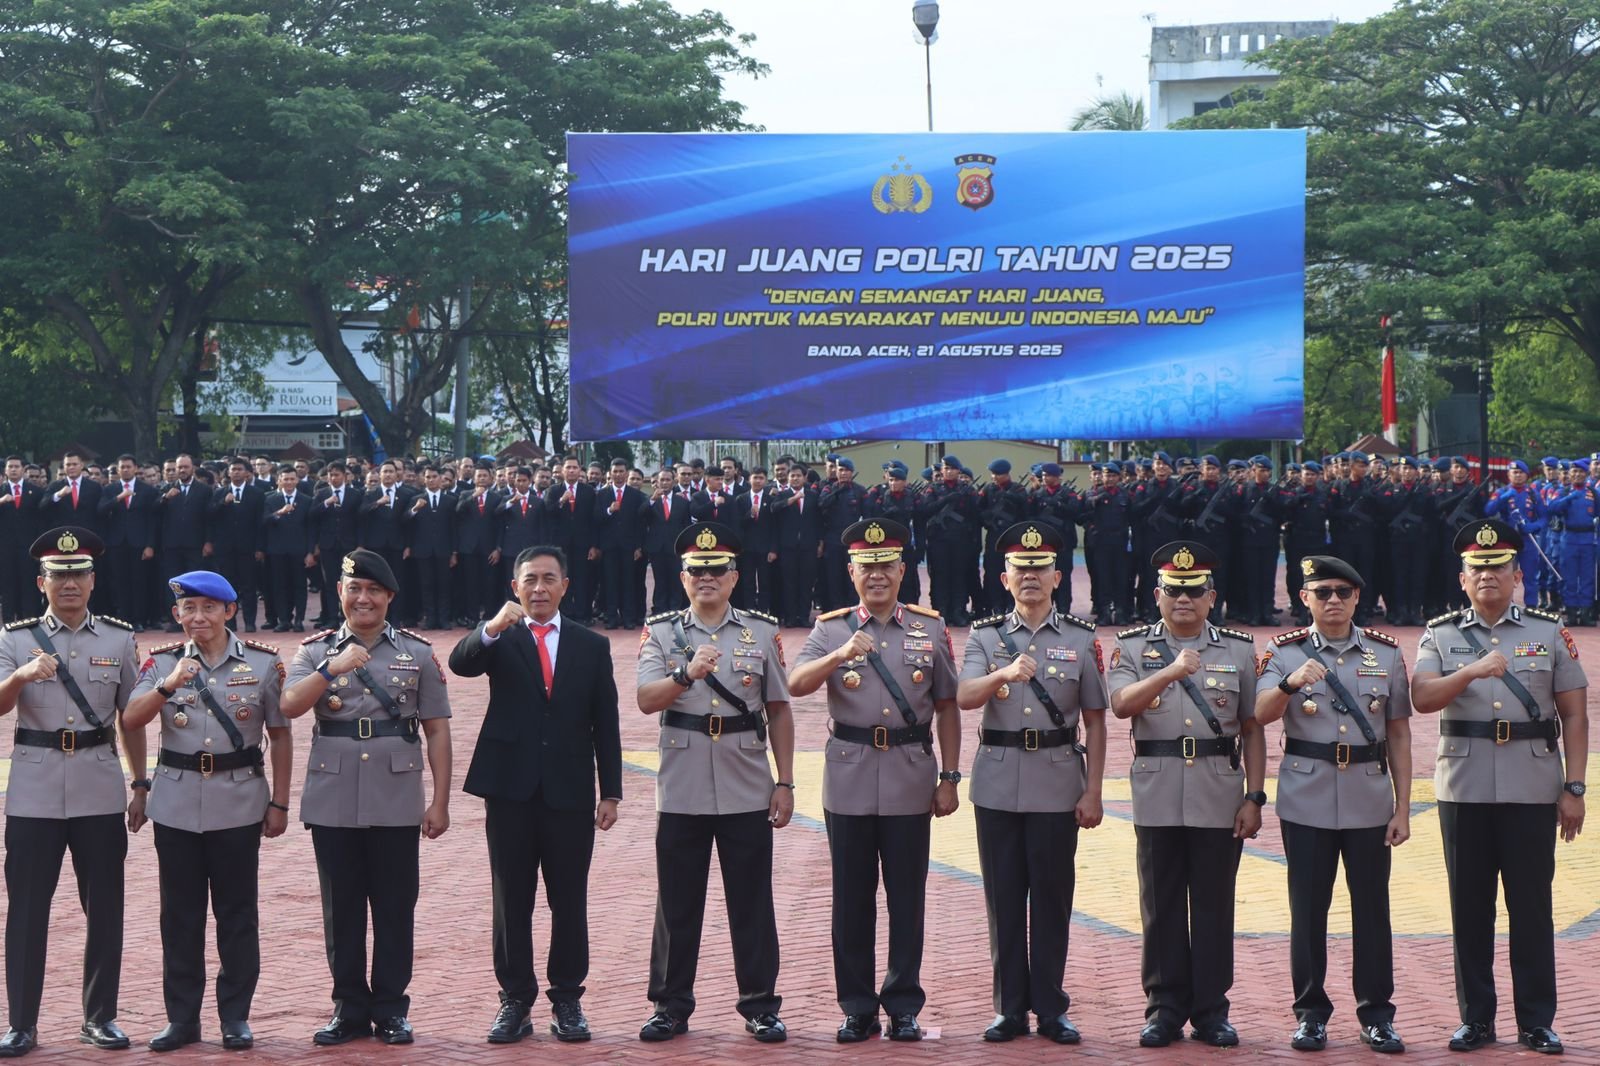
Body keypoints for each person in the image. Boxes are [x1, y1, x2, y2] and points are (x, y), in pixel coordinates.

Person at [1410, 519, 1588, 1054]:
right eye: (1477, 569)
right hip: (1463, 788)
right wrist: (1469, 673)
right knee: (1470, 909)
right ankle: (1476, 1019)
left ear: (1517, 576)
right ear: (1462, 579)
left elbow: (1574, 715)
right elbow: (1422, 697)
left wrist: (1574, 787)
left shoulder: (1548, 631)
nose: (1487, 576)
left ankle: (1536, 1020)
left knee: (1531, 908)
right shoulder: (1439, 634)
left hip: (1533, 787)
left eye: (1498, 568)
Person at [787, 518, 961, 1043]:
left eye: (887, 565)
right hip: (850, 777)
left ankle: (903, 1005)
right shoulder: (830, 629)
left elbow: (948, 706)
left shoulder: (929, 628)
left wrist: (950, 776)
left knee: (907, 899)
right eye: (868, 567)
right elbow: (796, 683)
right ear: (851, 572)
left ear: (903, 570)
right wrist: (839, 655)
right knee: (851, 899)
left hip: (910, 776)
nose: (878, 575)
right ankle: (858, 1006)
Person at [279, 549, 452, 1046]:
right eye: (354, 589)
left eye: (374, 590)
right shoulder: (314, 651)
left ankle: (392, 1009)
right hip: (332, 794)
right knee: (342, 910)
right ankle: (349, 1008)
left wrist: (439, 801)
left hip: (396, 795)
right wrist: (330, 669)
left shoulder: (417, 653)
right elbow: (289, 706)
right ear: (339, 592)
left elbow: (437, 729)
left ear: (389, 596)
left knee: (395, 907)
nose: (363, 599)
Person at [449, 545, 621, 1044]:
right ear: (515, 587)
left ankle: (567, 999)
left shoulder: (592, 645)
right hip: (509, 788)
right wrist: (491, 627)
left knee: (569, 899)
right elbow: (460, 664)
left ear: (565, 585)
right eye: (530, 580)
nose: (539, 588)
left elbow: (605, 722)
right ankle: (515, 1000)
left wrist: (610, 791)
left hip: (569, 790)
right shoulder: (501, 637)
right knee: (511, 899)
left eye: (549, 579)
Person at [634, 522, 793, 1043]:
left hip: (746, 781)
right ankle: (669, 1005)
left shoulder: (761, 632)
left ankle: (760, 1005)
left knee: (752, 901)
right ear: (682, 578)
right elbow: (646, 699)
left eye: (717, 570)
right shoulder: (661, 632)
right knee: (677, 904)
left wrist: (786, 782)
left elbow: (778, 709)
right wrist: (686, 674)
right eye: (697, 571)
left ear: (734, 577)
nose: (707, 578)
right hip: (682, 784)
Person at [123, 572, 293, 1052]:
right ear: (176, 614)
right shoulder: (161, 663)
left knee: (237, 914)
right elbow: (131, 719)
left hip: (239, 801)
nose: (198, 617)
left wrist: (280, 802)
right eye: (188, 608)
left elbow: (280, 735)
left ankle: (235, 1016)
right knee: (179, 917)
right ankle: (182, 1019)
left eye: (208, 608)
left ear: (229, 611)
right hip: (176, 804)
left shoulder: (262, 662)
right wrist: (167, 686)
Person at [1106, 541, 1266, 1048]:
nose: (1183, 600)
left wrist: (1255, 796)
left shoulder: (1238, 649)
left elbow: (1252, 726)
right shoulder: (1132, 647)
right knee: (1161, 905)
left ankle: (1212, 1011)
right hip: (1157, 789)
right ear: (1157, 594)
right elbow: (1121, 705)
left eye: (1194, 591)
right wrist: (1171, 671)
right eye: (1173, 590)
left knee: (1215, 906)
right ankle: (1164, 1009)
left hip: (1219, 792)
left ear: (1211, 597)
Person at [0, 527, 147, 1057]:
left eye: (78, 574)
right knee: (26, 911)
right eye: (58, 575)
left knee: (104, 907)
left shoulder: (117, 639)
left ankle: (100, 1017)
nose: (69, 584)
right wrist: (20, 677)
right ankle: (21, 1024)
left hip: (98, 786)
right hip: (34, 790)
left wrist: (140, 783)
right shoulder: (14, 639)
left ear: (92, 581)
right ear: (41, 582)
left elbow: (131, 717)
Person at [957, 521, 1106, 1044]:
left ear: (1058, 577)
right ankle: (1009, 1009)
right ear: (1004, 579)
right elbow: (964, 696)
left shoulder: (1080, 638)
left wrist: (1093, 790)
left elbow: (1096, 720)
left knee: (1051, 899)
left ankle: (1050, 1007)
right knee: (1003, 900)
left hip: (1057, 781)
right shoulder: (985, 635)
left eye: (1040, 568)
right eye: (1021, 569)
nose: (1030, 577)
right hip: (997, 782)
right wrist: (1002, 674)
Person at [1255, 556, 1410, 1053]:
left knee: (1372, 910)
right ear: (1305, 598)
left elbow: (1398, 733)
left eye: (1343, 591)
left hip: (1368, 796)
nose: (1334, 600)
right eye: (1322, 592)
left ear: (1358, 597)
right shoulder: (1282, 652)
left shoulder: (1385, 652)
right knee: (1308, 911)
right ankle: (1310, 1014)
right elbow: (1258, 714)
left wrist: (1402, 807)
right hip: (1307, 798)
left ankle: (1377, 1015)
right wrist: (1289, 683)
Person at [208, 461, 265, 632]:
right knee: (228, 587)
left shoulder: (256, 494)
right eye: (233, 469)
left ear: (247, 473)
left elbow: (260, 523)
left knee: (249, 586)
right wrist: (223, 503)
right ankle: (230, 621)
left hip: (247, 547)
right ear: (228, 473)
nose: (236, 472)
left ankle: (249, 622)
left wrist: (259, 547)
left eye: (240, 469)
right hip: (225, 548)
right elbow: (209, 514)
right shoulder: (220, 493)